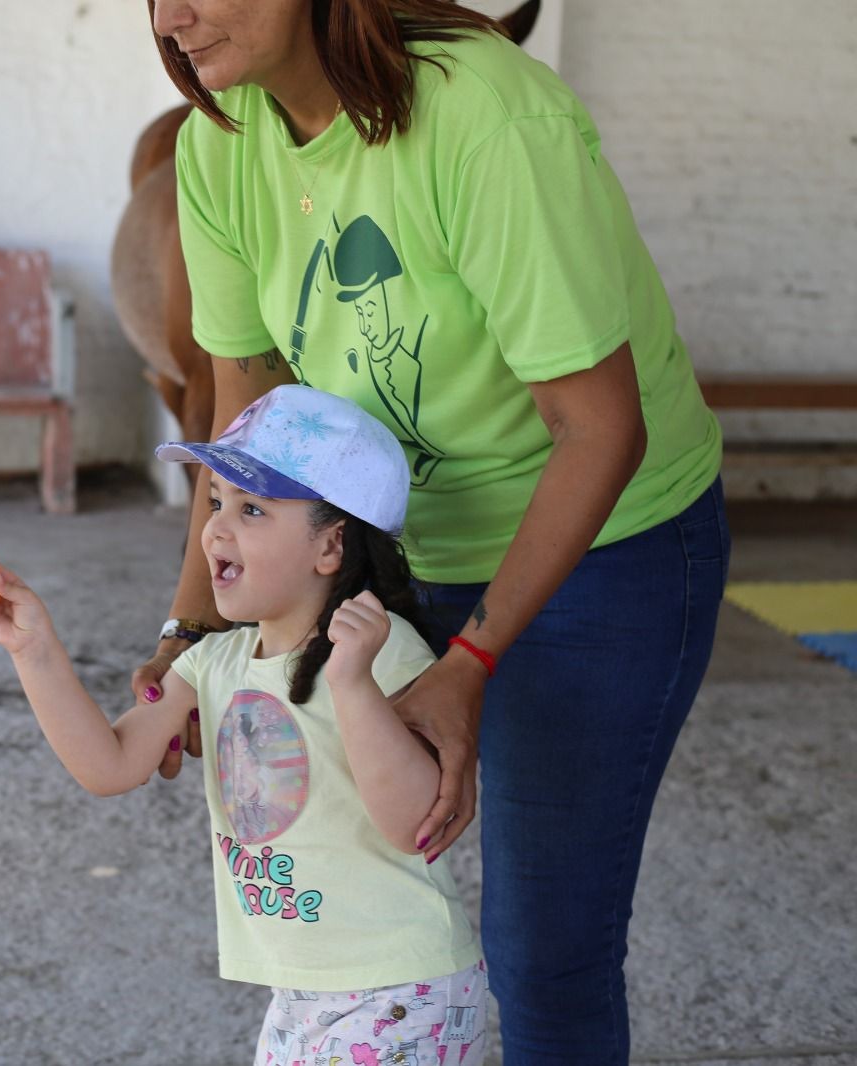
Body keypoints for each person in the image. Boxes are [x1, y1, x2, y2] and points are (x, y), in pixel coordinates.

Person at [136, 3, 731, 1062]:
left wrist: (470, 659)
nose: (171, 16)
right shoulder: (217, 141)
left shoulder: (485, 118)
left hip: (599, 543)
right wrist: (191, 630)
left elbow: (599, 428)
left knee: (544, 944)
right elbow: (249, 405)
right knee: (354, 913)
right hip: (383, 550)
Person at [0, 386, 487, 1064]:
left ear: (331, 545)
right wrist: (35, 651)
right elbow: (110, 766)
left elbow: (414, 825)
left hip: (400, 990)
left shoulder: (385, 652)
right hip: (300, 994)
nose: (216, 528)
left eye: (252, 509)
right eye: (215, 501)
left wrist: (353, 686)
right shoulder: (216, 660)